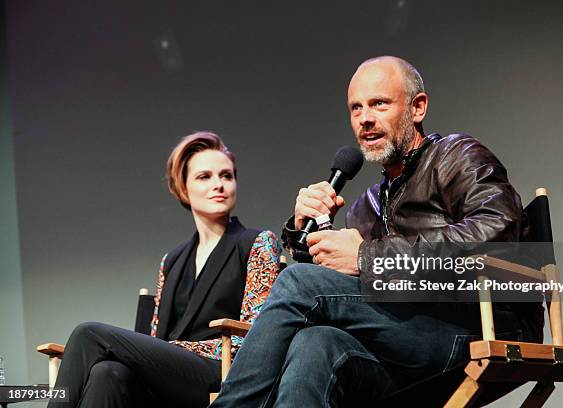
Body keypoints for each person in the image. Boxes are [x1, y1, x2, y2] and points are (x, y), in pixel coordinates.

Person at [209, 56, 544, 407]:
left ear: (417, 108)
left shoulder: (456, 156)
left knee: (297, 283)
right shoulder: (368, 204)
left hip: (484, 322)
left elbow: (496, 234)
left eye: (379, 104)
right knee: (316, 343)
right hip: (410, 330)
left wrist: (367, 256)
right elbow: (337, 290)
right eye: (356, 108)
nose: (365, 119)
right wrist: (301, 231)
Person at [48, 132, 281, 408]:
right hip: (171, 375)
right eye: (204, 177)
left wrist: (173, 349)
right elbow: (157, 336)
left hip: (222, 370)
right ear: (183, 188)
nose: (218, 184)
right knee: (107, 373)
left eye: (227, 176)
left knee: (88, 334)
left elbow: (254, 337)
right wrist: (162, 351)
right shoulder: (172, 260)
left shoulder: (256, 242)